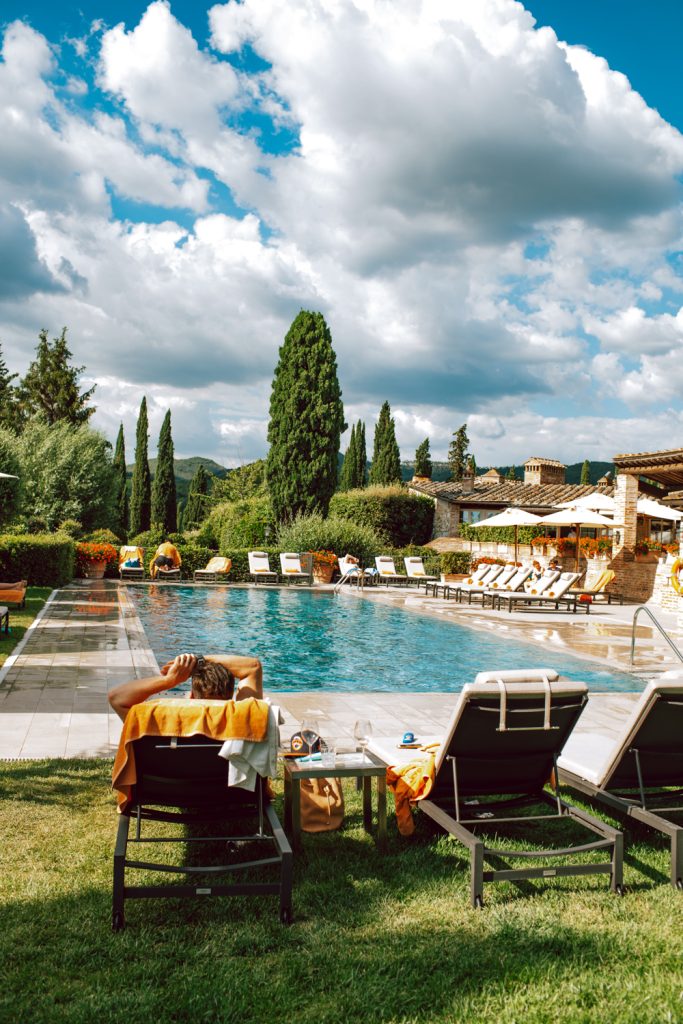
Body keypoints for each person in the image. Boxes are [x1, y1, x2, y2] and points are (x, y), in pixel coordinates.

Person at [108, 652, 263, 722]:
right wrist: (199, 660)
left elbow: (117, 698)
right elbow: (252, 667)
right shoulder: (243, 719)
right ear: (231, 698)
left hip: (163, 789)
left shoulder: (162, 722)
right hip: (226, 789)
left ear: (191, 696)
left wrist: (170, 680)